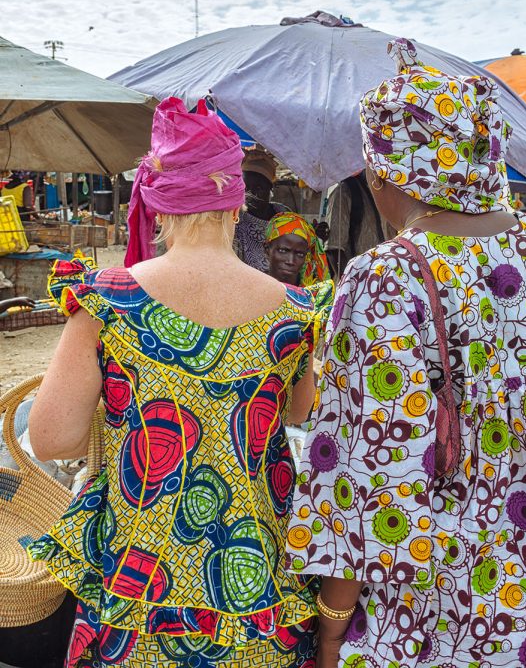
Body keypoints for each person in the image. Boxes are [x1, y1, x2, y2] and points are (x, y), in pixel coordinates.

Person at [286, 38, 526, 668]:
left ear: (384, 174)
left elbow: (370, 473)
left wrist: (332, 625)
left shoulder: (386, 277)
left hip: (428, 611)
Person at [27, 97, 318, 668]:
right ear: (237, 205)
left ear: (158, 208)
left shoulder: (108, 300)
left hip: (136, 592)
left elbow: (52, 441)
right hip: (254, 596)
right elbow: (298, 413)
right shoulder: (296, 313)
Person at [234, 149, 286, 272]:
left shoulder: (284, 215)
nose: (250, 194)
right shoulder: (235, 220)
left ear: (270, 188)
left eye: (259, 188)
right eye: (246, 188)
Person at [325, 171, 385, 278]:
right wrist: (350, 284)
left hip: (382, 279)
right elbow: (334, 249)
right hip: (357, 282)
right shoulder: (343, 192)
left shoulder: (383, 193)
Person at [265, 212, 331, 287]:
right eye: (283, 251)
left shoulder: (314, 295)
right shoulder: (253, 286)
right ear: (267, 249)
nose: (290, 261)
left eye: (300, 254)